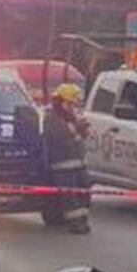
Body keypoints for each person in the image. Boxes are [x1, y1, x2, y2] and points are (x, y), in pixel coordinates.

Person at [43, 83, 91, 234]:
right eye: (71, 103)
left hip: (79, 164)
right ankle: (74, 223)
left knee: (84, 193)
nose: (73, 106)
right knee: (70, 198)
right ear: (62, 102)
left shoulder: (71, 117)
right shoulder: (52, 118)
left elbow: (79, 137)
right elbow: (59, 136)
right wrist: (77, 128)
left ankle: (83, 220)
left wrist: (82, 129)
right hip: (63, 165)